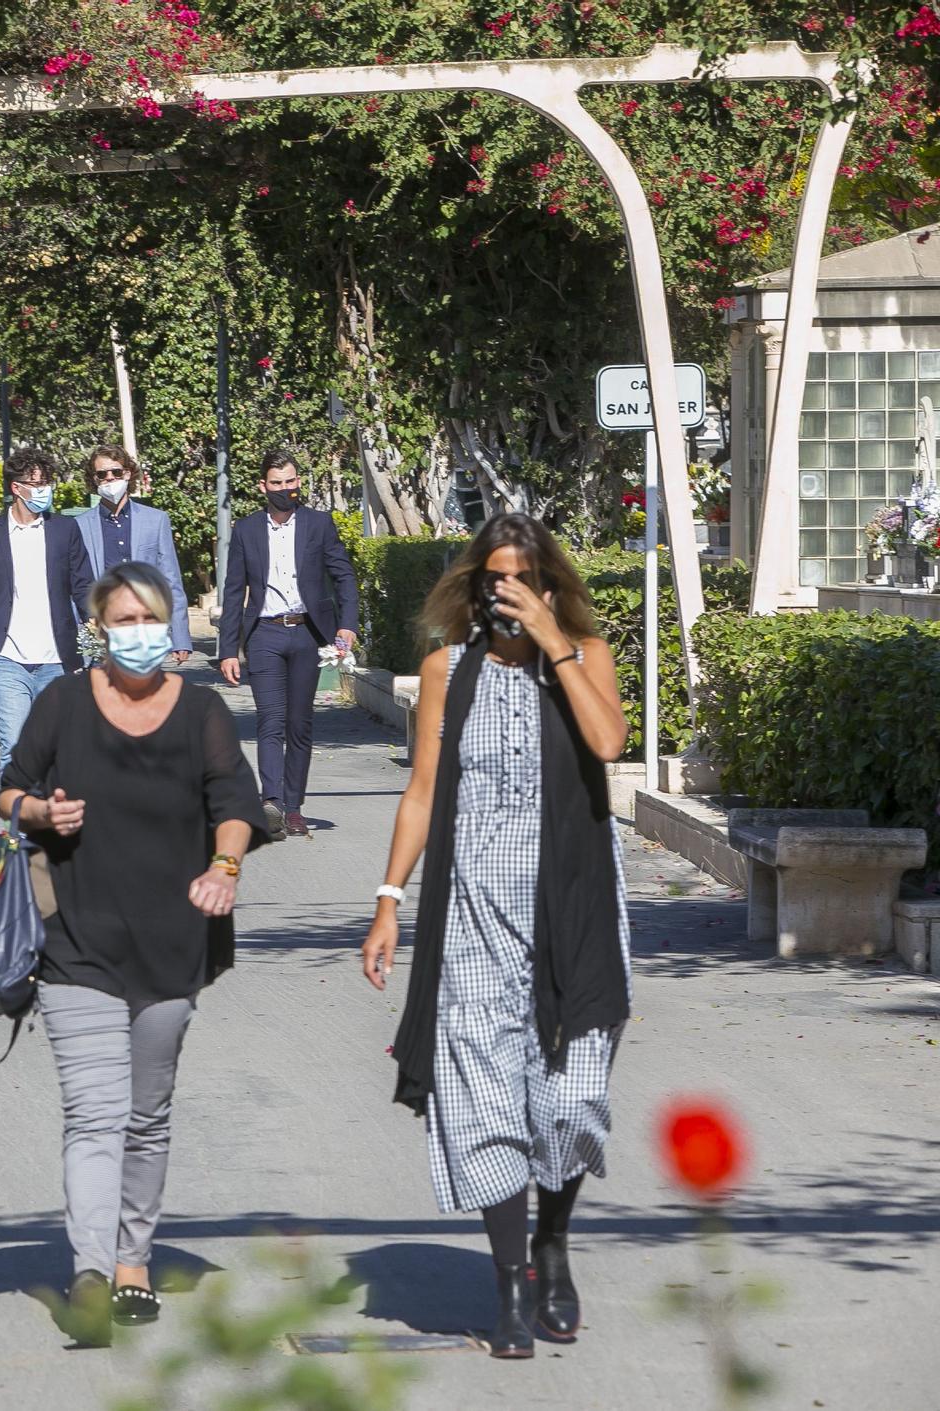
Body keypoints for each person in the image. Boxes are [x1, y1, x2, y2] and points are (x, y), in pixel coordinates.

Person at [361, 513, 632, 1361]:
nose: (505, 594)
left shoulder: (586, 657)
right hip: (475, 910)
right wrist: (387, 898)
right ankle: (510, 1284)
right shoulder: (448, 670)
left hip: (574, 907)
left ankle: (553, 1238)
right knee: (484, 1095)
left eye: (521, 580)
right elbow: (421, 789)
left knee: (570, 1097)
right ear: (473, 589)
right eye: (492, 580)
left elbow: (610, 742)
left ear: (549, 585)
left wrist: (555, 640)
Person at [0, 561, 266, 1346]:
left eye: (150, 620)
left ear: (168, 624)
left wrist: (225, 868)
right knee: (94, 1112)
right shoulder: (63, 703)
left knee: (146, 1116)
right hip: (75, 941)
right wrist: (40, 808)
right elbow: (9, 790)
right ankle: (89, 1270)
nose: (139, 635)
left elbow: (235, 803)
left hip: (174, 943)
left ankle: (133, 1259)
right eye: (124, 622)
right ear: (99, 629)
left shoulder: (203, 711)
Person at [218, 448, 358, 841]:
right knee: (271, 720)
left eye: (291, 482)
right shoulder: (246, 530)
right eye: (277, 483)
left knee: (300, 724)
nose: (285, 489)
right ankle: (272, 803)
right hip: (264, 633)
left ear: (299, 483)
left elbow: (343, 576)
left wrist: (347, 626)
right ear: (263, 487)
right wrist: (228, 649)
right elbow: (234, 592)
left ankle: (294, 808)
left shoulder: (318, 524)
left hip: (308, 635)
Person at [0, 447, 95, 780]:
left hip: (57, 659)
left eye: (47, 482)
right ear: (16, 488)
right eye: (36, 483)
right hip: (8, 658)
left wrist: (101, 631)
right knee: (13, 746)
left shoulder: (64, 530)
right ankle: (16, 830)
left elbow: (84, 587)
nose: (44, 489)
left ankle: (47, 827)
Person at [73, 446, 192, 666]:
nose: (110, 478)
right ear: (94, 479)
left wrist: (180, 637)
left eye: (116, 472)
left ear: (128, 473)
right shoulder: (78, 526)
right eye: (102, 474)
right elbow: (74, 585)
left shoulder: (155, 520)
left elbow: (171, 580)